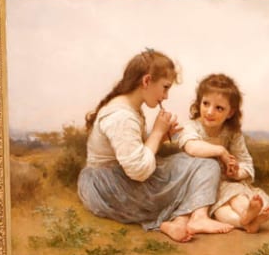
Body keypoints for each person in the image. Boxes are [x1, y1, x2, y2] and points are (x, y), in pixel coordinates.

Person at [76, 49, 230, 244]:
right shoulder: (121, 116)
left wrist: (162, 136)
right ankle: (193, 218)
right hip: (113, 187)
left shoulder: (129, 108)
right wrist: (157, 132)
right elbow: (138, 170)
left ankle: (171, 223)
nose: (165, 96)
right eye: (165, 87)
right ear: (146, 81)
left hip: (114, 181)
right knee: (207, 164)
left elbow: (133, 150)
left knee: (197, 163)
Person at [180, 73, 269, 234]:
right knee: (220, 209)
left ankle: (247, 216)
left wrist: (236, 172)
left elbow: (246, 162)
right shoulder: (192, 127)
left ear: (230, 112)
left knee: (237, 195)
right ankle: (245, 221)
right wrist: (221, 151)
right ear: (198, 103)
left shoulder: (232, 133)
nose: (210, 112)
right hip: (200, 185)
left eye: (219, 108)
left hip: (226, 183)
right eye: (205, 103)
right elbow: (191, 147)